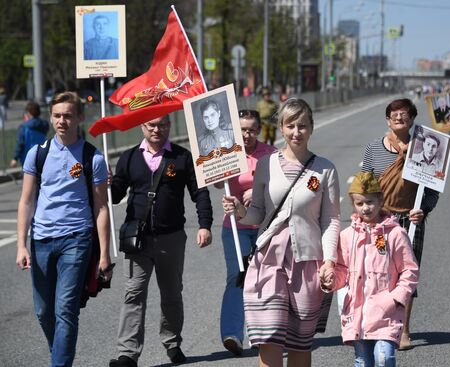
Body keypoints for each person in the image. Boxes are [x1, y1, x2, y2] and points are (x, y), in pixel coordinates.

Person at [222, 98, 340, 367]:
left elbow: (331, 219)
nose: (296, 132)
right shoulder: (266, 164)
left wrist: (329, 260)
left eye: (302, 126)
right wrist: (240, 210)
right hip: (269, 261)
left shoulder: (325, 169)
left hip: (307, 263)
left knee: (300, 344)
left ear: (311, 128)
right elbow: (259, 214)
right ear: (280, 128)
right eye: (290, 126)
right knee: (270, 338)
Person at [15, 91, 112, 366]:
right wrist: (22, 244)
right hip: (42, 240)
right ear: (50, 118)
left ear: (80, 117)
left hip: (77, 240)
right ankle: (59, 351)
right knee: (44, 311)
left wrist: (104, 255)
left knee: (65, 310)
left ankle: (60, 363)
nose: (62, 121)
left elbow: (101, 208)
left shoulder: (92, 157)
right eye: (57, 115)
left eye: (68, 115)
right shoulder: (38, 154)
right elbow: (26, 201)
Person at [108, 115, 213, 367]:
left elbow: (199, 192)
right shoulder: (129, 157)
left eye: (163, 124)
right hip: (138, 239)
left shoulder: (182, 157)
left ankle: (172, 343)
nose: (157, 129)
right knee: (133, 294)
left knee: (172, 294)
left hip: (171, 238)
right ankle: (127, 354)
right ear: (142, 126)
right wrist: (108, 185)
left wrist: (205, 225)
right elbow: (115, 196)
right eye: (151, 125)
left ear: (169, 125)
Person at [361, 98, 439, 350]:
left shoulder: (426, 148)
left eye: (404, 114)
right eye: (394, 115)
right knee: (380, 271)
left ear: (412, 118)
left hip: (411, 219)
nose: (399, 118)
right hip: (381, 220)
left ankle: (403, 329)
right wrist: (368, 212)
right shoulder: (374, 149)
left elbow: (433, 190)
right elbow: (364, 186)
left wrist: (423, 209)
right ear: (387, 120)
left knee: (407, 274)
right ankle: (380, 325)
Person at [320, 172, 419, 367]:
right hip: (357, 313)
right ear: (353, 204)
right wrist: (331, 280)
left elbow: (410, 270)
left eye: (370, 202)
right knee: (362, 361)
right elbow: (341, 268)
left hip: (386, 311)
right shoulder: (347, 236)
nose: (366, 208)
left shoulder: (396, 234)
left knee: (384, 358)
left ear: (381, 200)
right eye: (360, 203)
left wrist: (395, 298)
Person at [213, 109, 276, 356]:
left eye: (251, 129)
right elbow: (218, 183)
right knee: (238, 278)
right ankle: (232, 334)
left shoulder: (270, 154)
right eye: (242, 130)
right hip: (235, 228)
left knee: (263, 281)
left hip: (263, 227)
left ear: (258, 130)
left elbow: (282, 186)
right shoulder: (228, 153)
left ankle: (260, 333)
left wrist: (259, 191)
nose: (246, 134)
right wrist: (217, 166)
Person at [10, 100, 49, 168]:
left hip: (27, 158)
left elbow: (20, 143)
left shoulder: (24, 127)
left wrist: (15, 158)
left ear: (28, 112)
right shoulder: (44, 125)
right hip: (42, 157)